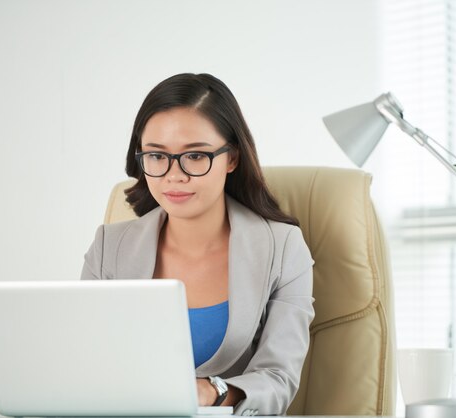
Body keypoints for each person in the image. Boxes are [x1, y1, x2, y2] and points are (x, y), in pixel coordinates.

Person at [80, 73, 314, 415]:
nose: (175, 175)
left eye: (195, 156)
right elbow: (87, 367)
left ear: (231, 158)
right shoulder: (108, 247)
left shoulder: (283, 248)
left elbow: (279, 379)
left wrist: (211, 391)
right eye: (157, 156)